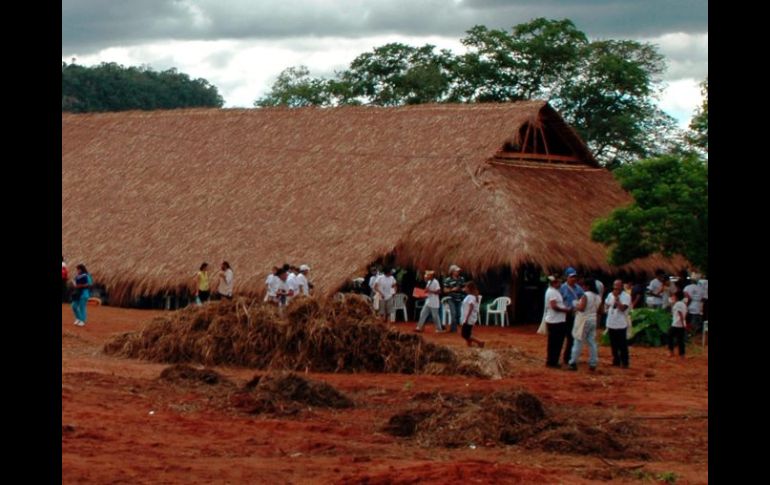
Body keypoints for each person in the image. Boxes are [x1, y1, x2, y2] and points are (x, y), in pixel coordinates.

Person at [568, 277, 601, 371]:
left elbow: (582, 308)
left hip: (584, 320)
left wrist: (575, 306)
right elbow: (599, 310)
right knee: (592, 342)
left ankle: (573, 362)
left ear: (587, 286)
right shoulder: (597, 296)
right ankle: (593, 362)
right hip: (593, 319)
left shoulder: (585, 295)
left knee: (578, 341)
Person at [543, 275, 570, 368]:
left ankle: (553, 360)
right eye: (559, 282)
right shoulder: (552, 292)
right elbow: (553, 306)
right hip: (555, 321)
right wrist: (565, 310)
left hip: (557, 320)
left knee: (555, 342)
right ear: (554, 283)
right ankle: (552, 361)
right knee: (555, 342)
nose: (560, 284)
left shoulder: (554, 292)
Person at [560, 267, 584, 366]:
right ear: (567, 277)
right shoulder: (562, 288)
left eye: (575, 277)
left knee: (572, 336)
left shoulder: (578, 288)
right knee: (562, 336)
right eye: (571, 277)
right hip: (564, 314)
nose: (573, 279)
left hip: (574, 314)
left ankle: (568, 357)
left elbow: (582, 298)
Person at [605, 279, 632, 368]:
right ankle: (616, 360)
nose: (616, 288)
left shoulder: (626, 296)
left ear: (622, 287)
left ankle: (625, 362)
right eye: (615, 286)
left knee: (622, 344)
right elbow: (607, 305)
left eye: (618, 286)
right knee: (613, 344)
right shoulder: (610, 295)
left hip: (621, 323)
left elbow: (623, 308)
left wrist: (617, 299)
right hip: (611, 322)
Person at [442, 265, 466, 333]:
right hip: (451, 298)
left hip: (459, 298)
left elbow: (464, 287)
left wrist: (463, 289)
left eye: (458, 271)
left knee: (458, 314)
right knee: (453, 313)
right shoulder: (447, 280)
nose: (458, 272)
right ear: (452, 272)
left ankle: (453, 328)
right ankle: (453, 329)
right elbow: (444, 290)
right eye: (456, 271)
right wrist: (452, 289)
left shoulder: (461, 279)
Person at [460, 281, 485, 347]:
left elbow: (471, 307)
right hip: (470, 317)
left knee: (464, 334)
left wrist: (467, 318)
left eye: (466, 287)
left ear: (469, 288)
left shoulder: (470, 297)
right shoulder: (473, 296)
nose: (465, 288)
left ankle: (479, 342)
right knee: (467, 332)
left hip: (469, 317)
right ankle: (469, 345)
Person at [668, 289, 688, 358]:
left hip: (676, 324)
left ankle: (671, 352)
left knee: (669, 336)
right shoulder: (683, 304)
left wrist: (682, 323)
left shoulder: (678, 304)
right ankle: (682, 354)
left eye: (674, 295)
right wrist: (684, 324)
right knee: (680, 340)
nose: (673, 297)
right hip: (680, 324)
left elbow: (680, 314)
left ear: (676, 296)